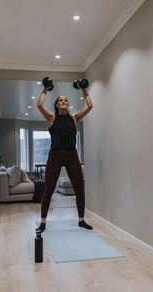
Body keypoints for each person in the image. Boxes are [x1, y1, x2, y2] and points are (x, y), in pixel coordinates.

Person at [36, 81, 93, 232]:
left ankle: (81, 220)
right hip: (55, 156)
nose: (64, 102)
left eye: (66, 100)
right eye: (61, 100)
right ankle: (43, 222)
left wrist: (83, 89)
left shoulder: (74, 118)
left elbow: (90, 106)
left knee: (79, 188)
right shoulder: (51, 119)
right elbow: (40, 105)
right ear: (57, 104)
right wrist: (45, 89)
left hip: (71, 156)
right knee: (48, 189)